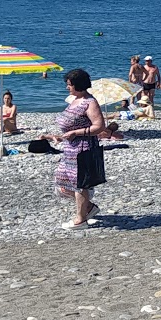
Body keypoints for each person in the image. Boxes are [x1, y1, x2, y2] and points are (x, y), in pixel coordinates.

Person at [46, 68, 107, 229]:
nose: (67, 87)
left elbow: (99, 126)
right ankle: (88, 208)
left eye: (69, 84)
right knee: (62, 183)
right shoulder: (74, 99)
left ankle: (80, 219)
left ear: (78, 85)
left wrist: (76, 132)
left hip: (82, 148)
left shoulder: (90, 102)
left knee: (79, 184)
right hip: (69, 148)